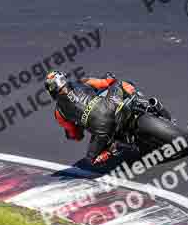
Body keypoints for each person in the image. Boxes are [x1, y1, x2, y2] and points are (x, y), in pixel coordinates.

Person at [43, 70, 172, 165]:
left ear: (51, 91)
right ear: (64, 78)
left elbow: (76, 135)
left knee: (91, 160)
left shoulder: (59, 113)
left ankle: (114, 147)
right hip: (111, 106)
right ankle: (147, 104)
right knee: (123, 84)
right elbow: (106, 82)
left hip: (101, 131)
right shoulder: (82, 82)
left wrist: (75, 130)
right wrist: (110, 77)